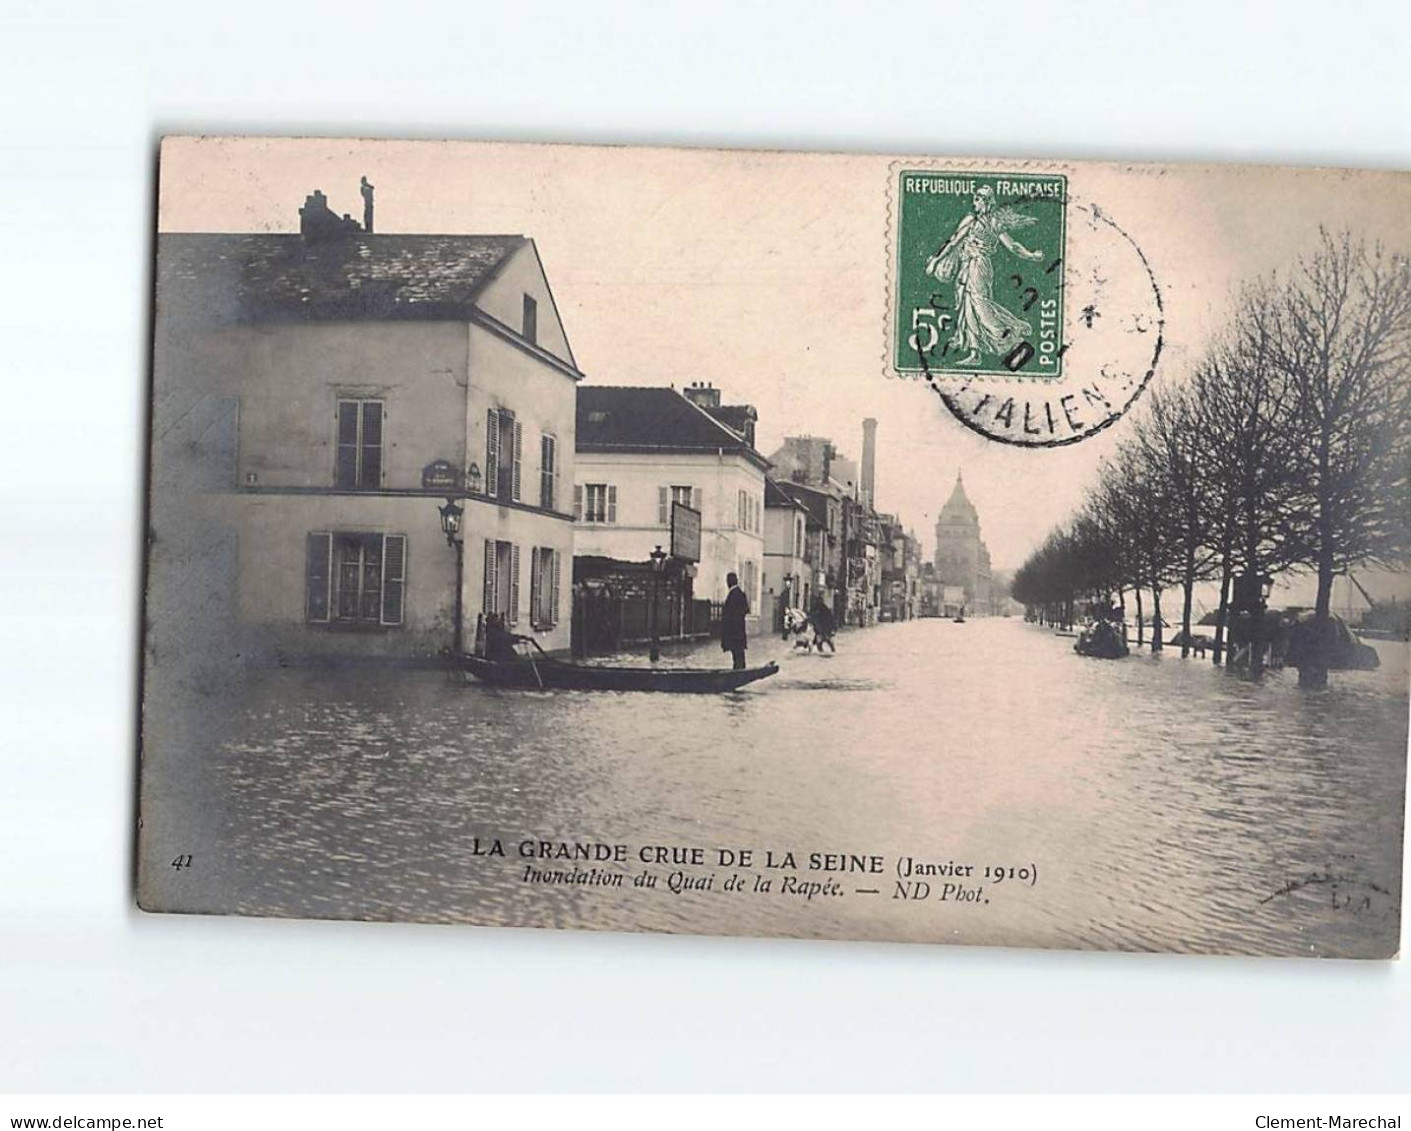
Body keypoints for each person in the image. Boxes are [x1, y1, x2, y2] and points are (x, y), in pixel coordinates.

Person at [925, 185, 1045, 366]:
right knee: (968, 306)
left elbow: (1012, 245)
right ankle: (975, 352)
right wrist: (936, 260)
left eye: (979, 199)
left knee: (980, 303)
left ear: (987, 202)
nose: (975, 203)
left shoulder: (994, 223)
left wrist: (1030, 255)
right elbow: (953, 241)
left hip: (980, 265)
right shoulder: (970, 220)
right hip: (966, 266)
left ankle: (1009, 330)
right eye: (975, 199)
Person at [720, 572, 750, 670]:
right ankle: (740, 671)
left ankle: (738, 673)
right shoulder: (740, 594)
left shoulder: (733, 595)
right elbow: (745, 610)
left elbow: (730, 615)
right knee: (739, 655)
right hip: (739, 631)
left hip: (734, 632)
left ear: (729, 582)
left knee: (737, 655)